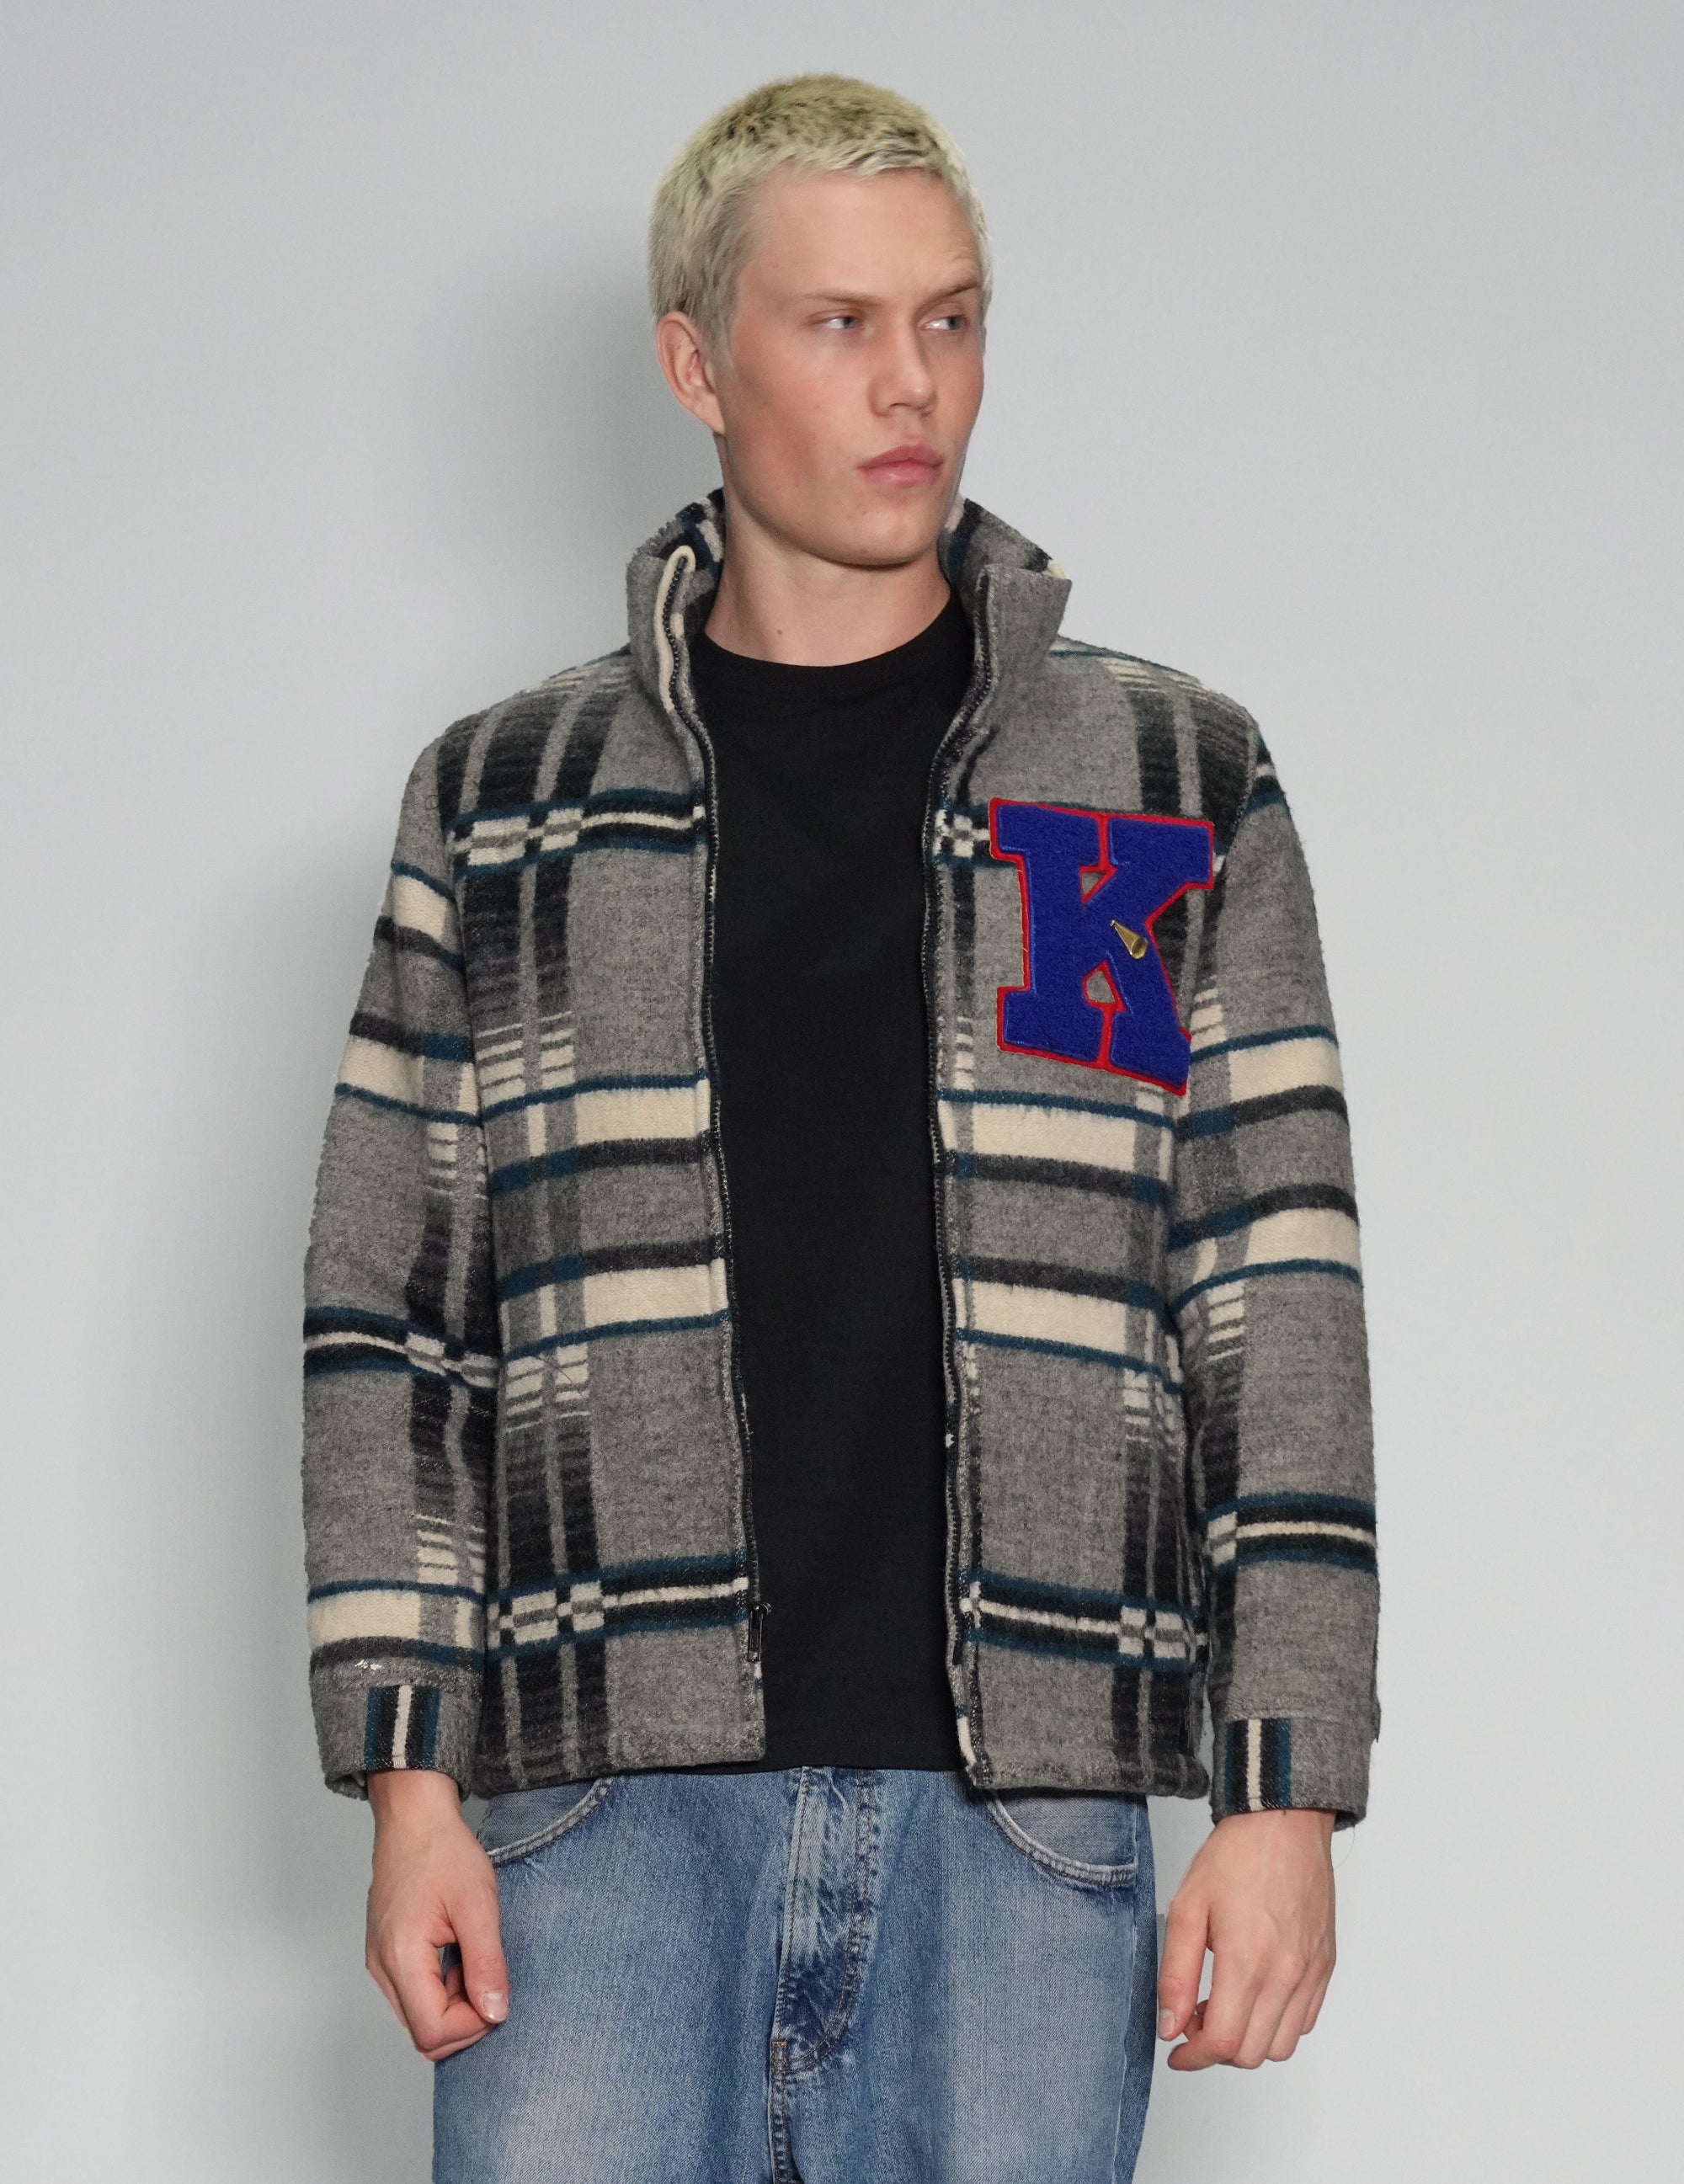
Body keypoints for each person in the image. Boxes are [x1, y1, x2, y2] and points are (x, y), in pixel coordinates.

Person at [301, 72, 1380, 2183]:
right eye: (840, 324)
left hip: (1030, 1827)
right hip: (594, 1817)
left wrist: (1284, 1789)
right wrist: (408, 1781)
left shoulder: (1161, 776)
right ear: (695, 363)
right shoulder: (506, 800)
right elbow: (389, 1321)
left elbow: (1275, 1293)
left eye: (950, 319)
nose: (913, 385)